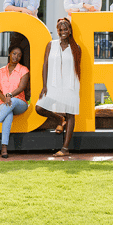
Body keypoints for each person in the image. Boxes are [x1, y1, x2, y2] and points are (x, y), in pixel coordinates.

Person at [35, 18, 81, 157]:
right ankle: (60, 119)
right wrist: (44, 86)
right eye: (60, 30)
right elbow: (45, 65)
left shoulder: (76, 47)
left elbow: (77, 68)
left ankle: (65, 149)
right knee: (40, 107)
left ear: (70, 30)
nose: (63, 32)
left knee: (71, 114)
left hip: (70, 85)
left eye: (65, 29)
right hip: (53, 84)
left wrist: (74, 87)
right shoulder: (51, 45)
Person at [0, 46, 29, 158]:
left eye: (19, 55)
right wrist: (5, 99)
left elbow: (21, 87)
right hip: (5, 103)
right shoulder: (0, 71)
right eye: (14, 53)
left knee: (12, 101)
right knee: (8, 114)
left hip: (20, 103)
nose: (16, 56)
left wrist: (9, 96)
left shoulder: (24, 70)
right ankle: (4, 148)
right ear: (9, 54)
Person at [3, 0, 41, 98]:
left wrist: (16, 9)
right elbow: (6, 8)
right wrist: (21, 9)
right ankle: (12, 93)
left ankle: (29, 94)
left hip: (31, 32)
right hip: (16, 32)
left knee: (28, 62)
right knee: (13, 62)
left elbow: (30, 10)